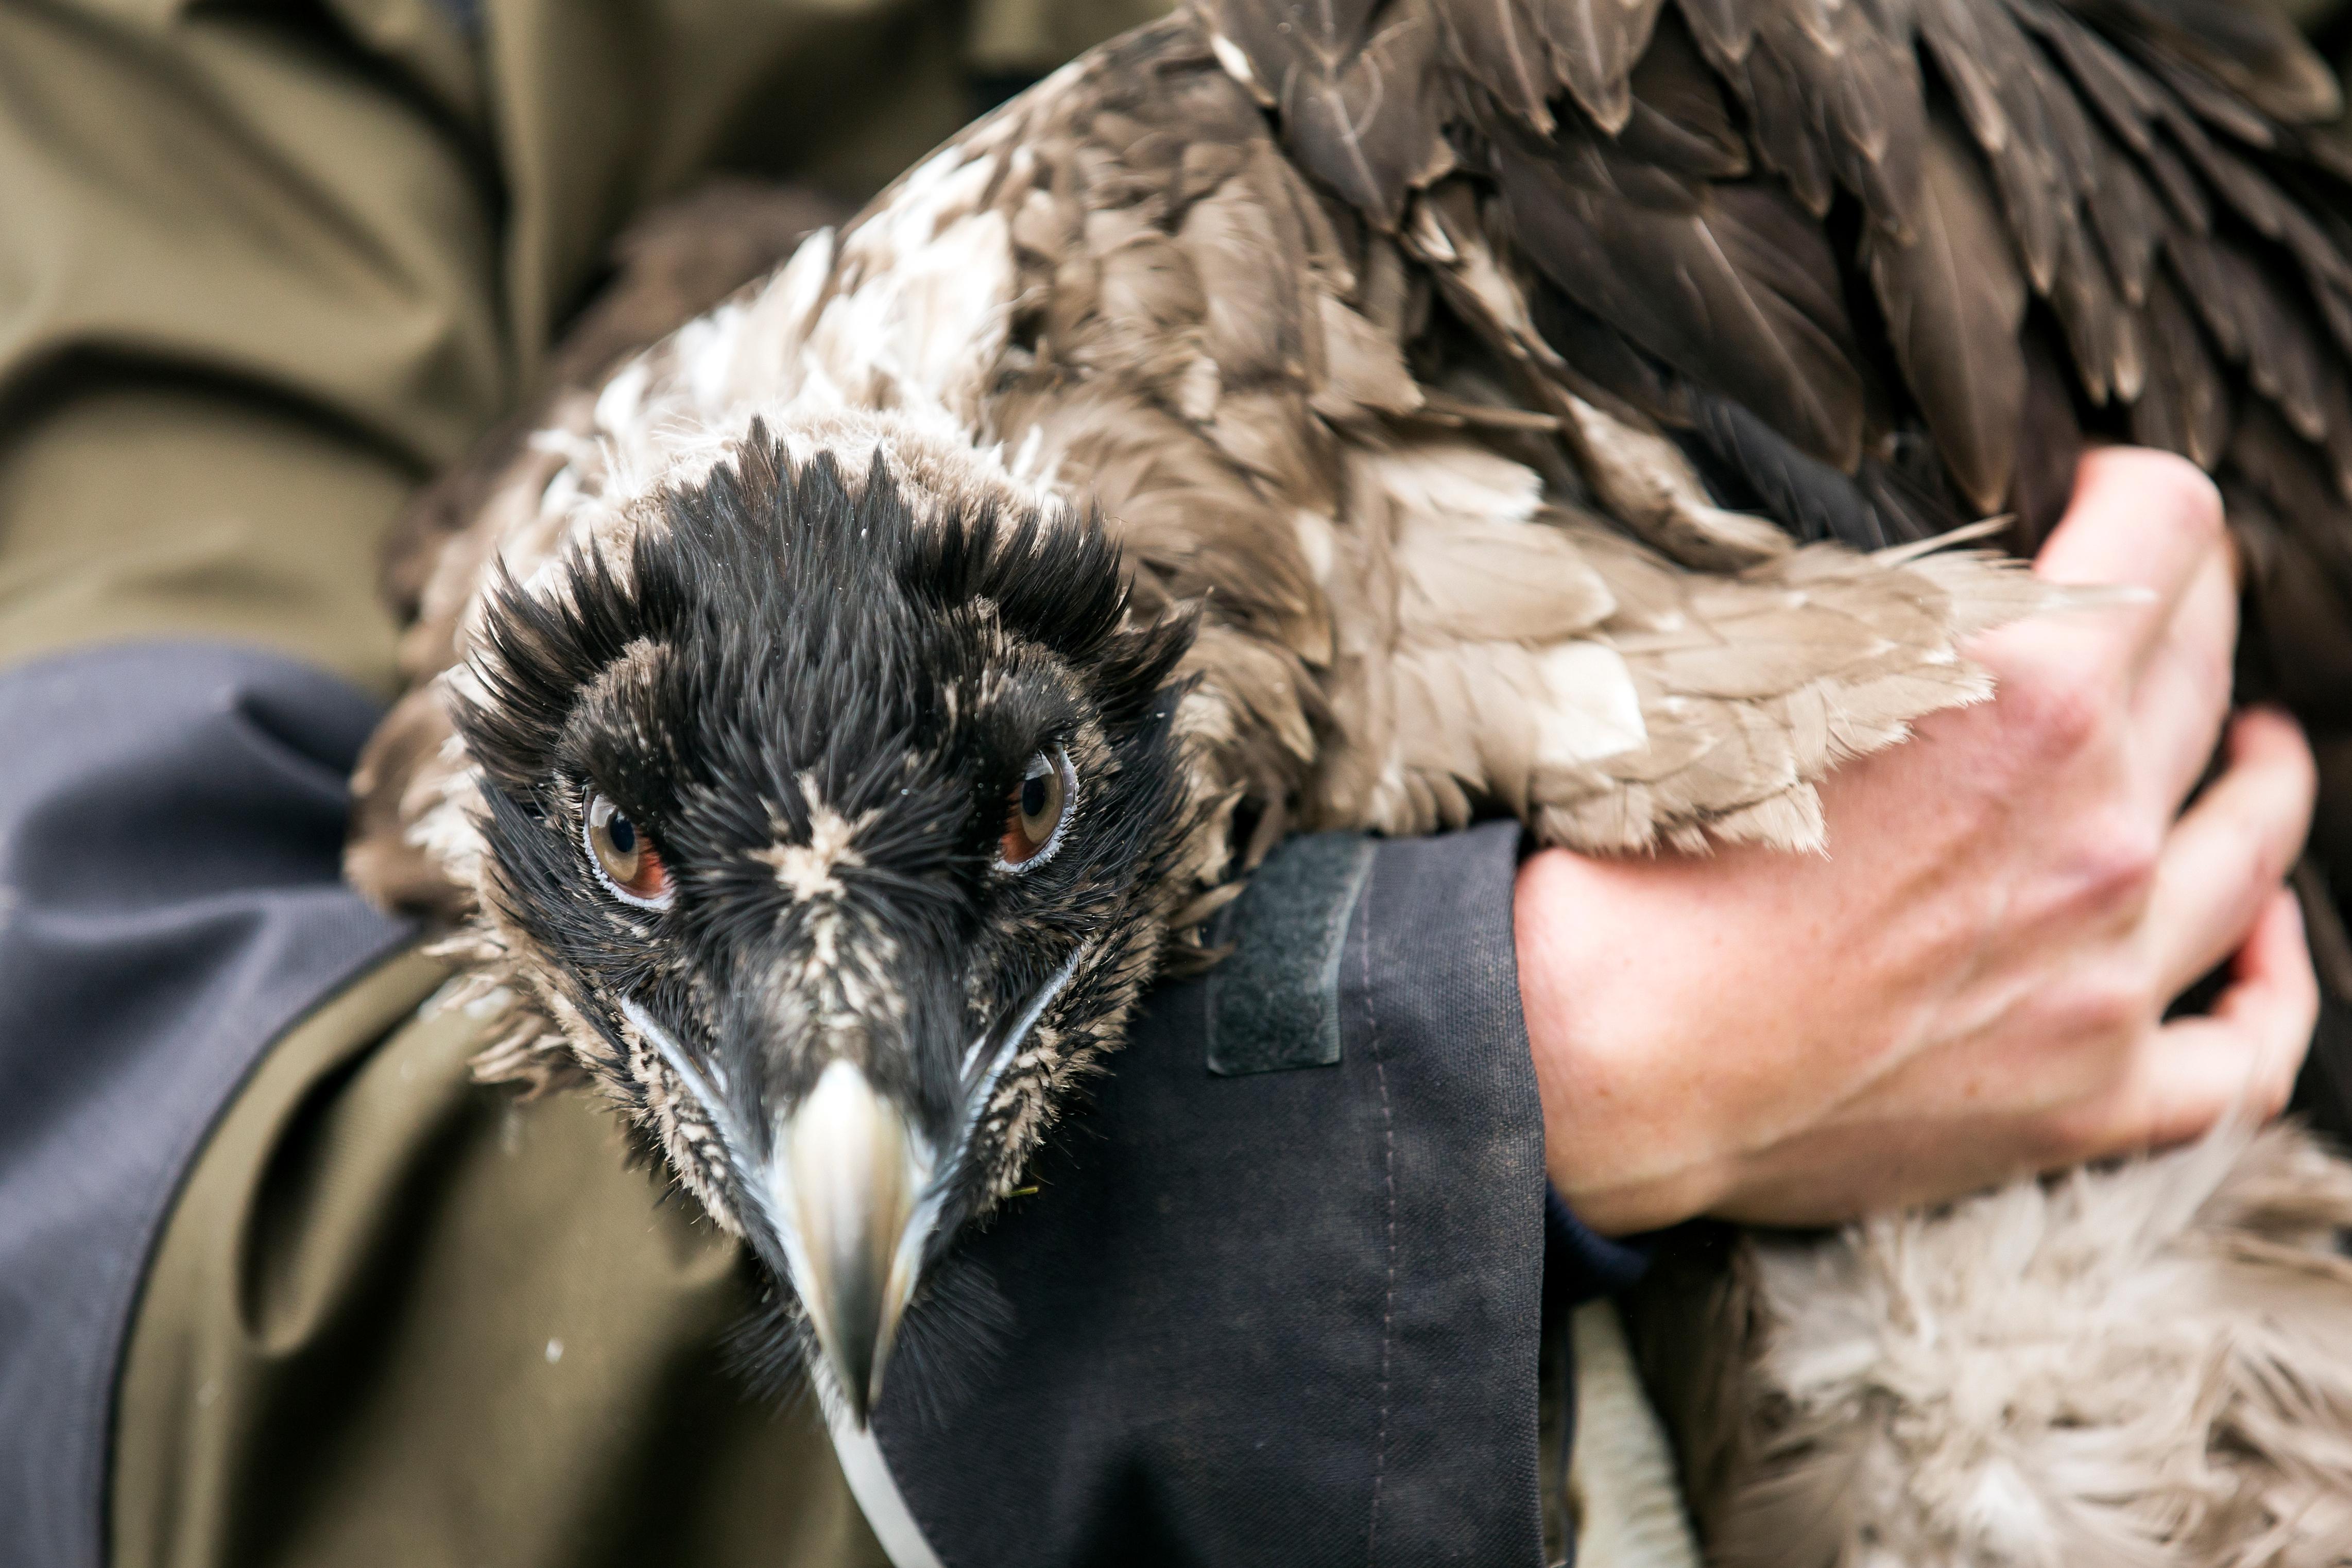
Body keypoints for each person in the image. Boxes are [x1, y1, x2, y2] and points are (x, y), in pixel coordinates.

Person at [0, 3, 2327, 1566]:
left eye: (1009, 824)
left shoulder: (1546, 81)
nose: (844, 1143)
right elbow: (103, 1144)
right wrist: (1516, 1068)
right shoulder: (261, 131)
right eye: (624, 850)